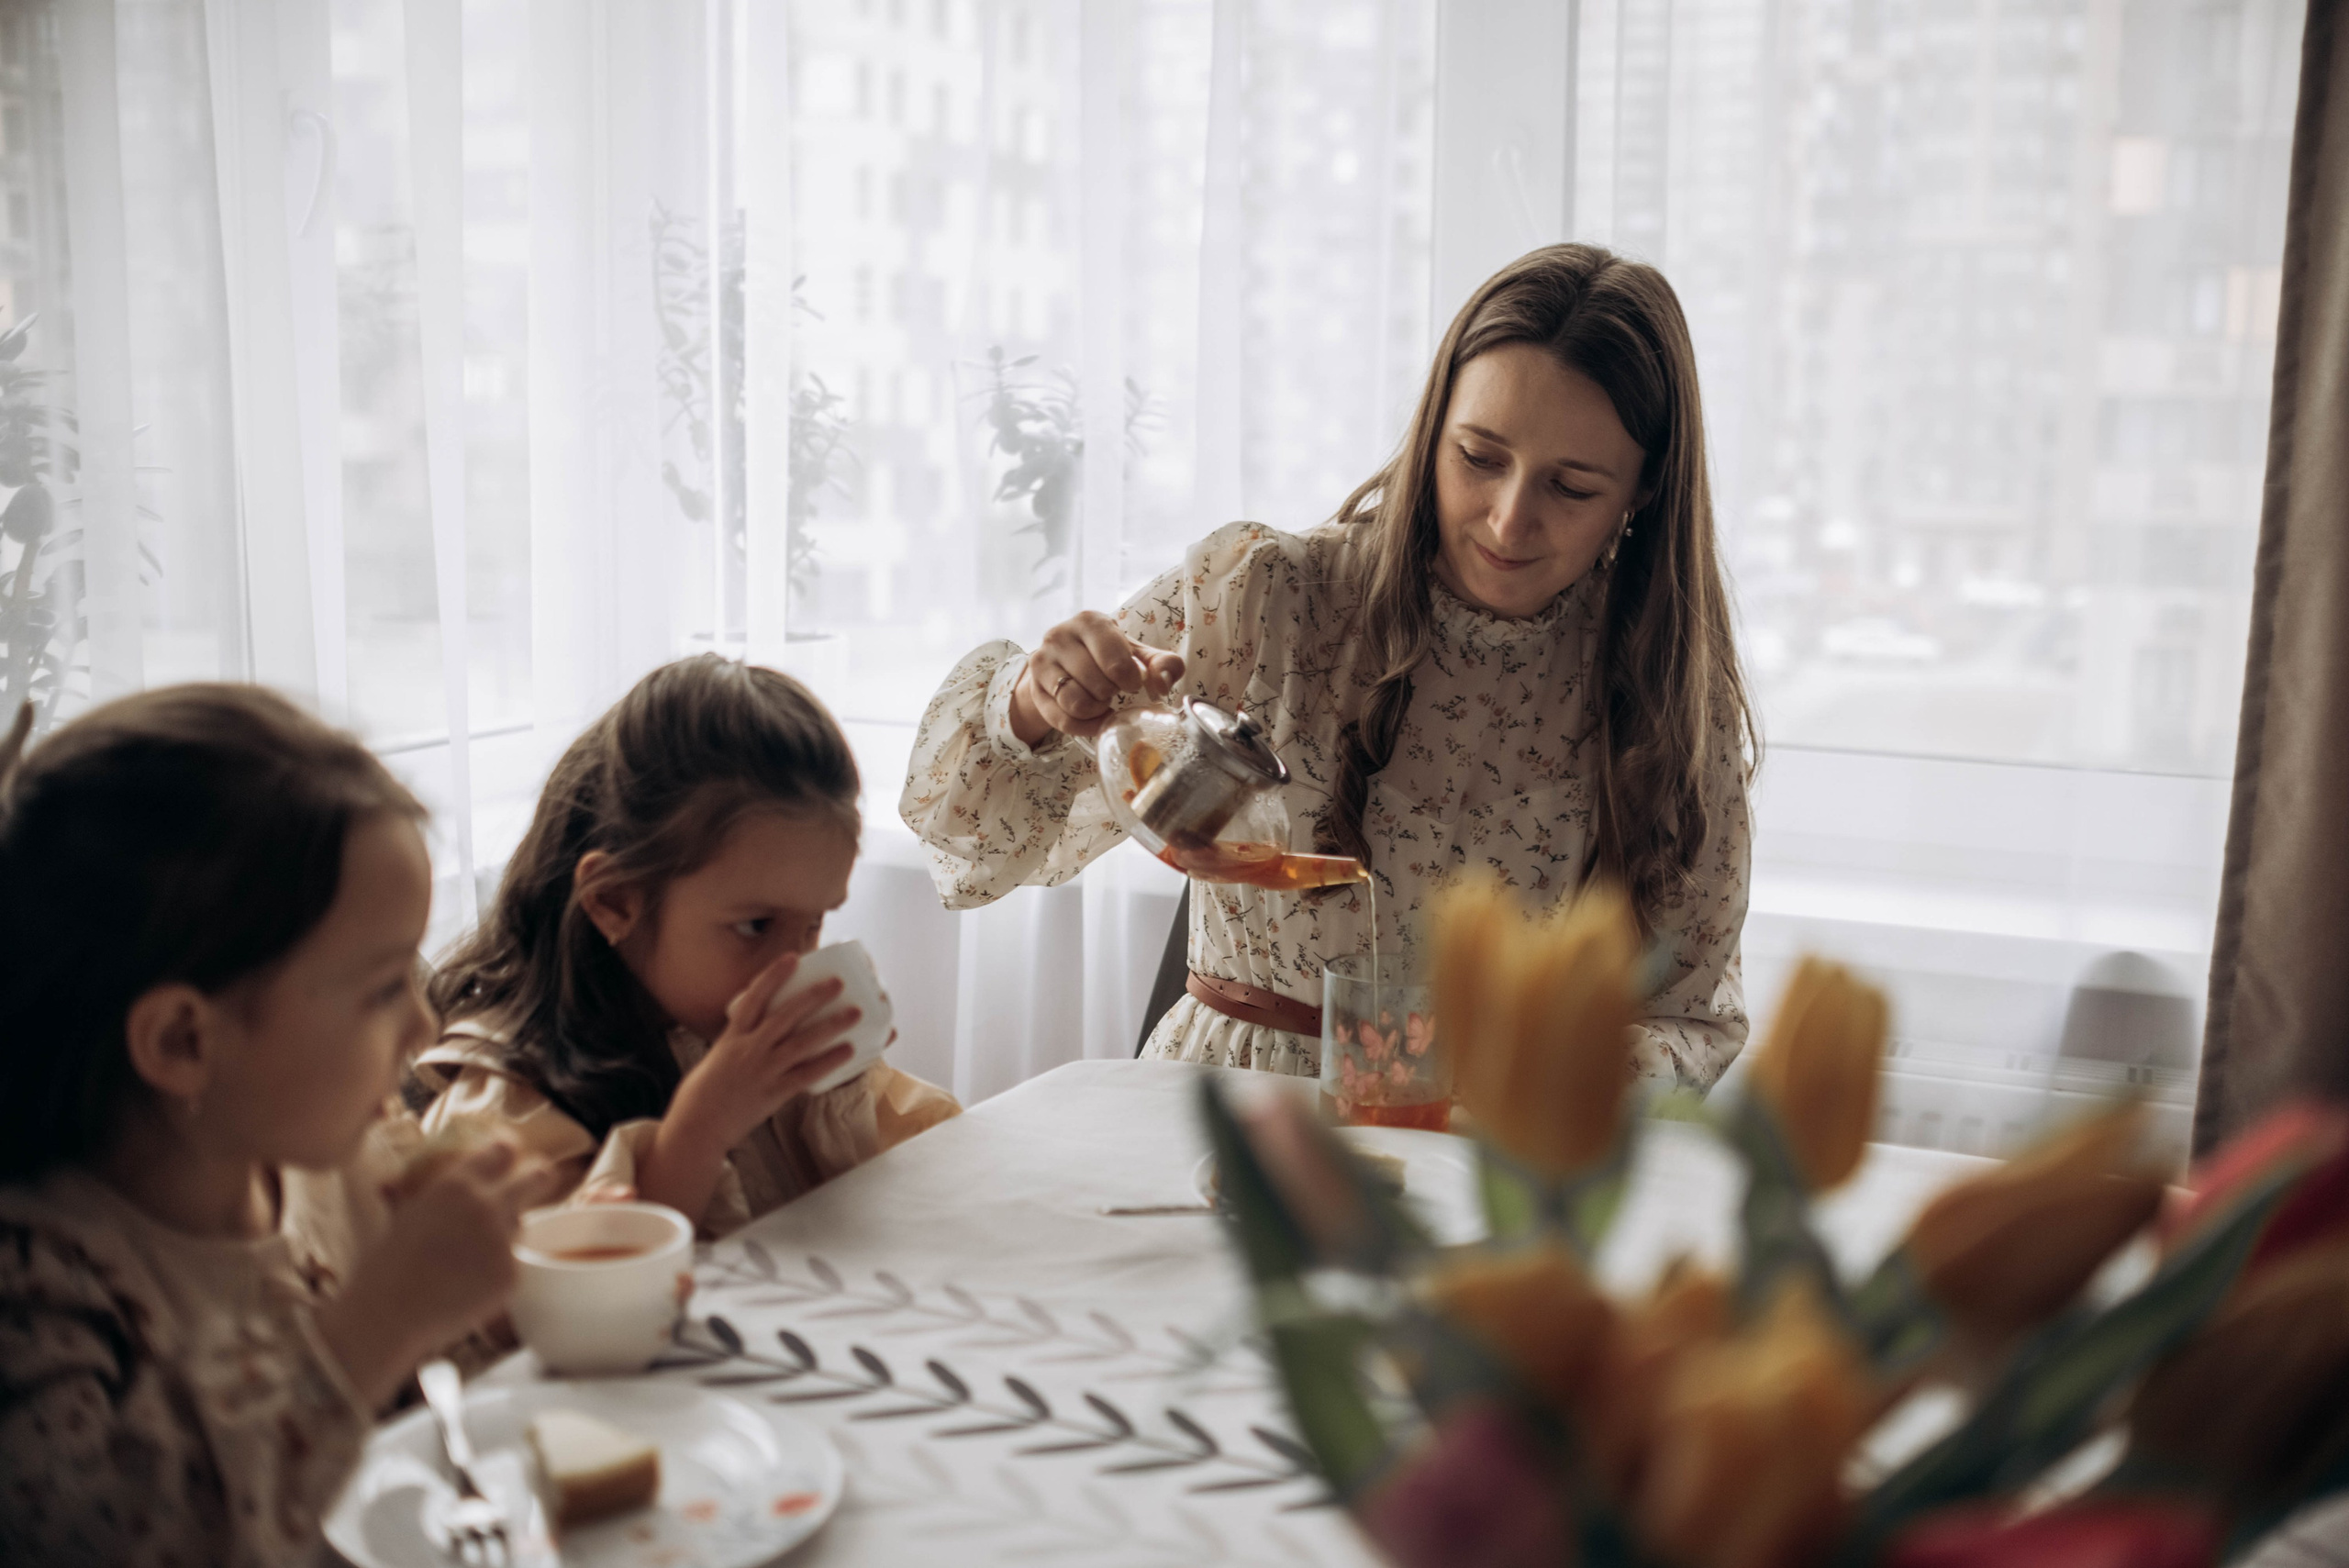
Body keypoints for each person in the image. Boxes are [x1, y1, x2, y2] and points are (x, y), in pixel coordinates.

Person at [904, 244, 1755, 1088]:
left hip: (1485, 1151)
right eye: (1479, 457)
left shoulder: (1665, 694)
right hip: (1224, 1116)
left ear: (1642, 493)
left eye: (1570, 488)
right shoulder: (1263, 598)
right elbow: (975, 841)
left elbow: (1687, 1015)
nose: (1507, 521)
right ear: (1431, 433)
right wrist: (1035, 702)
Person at [0, 689, 557, 1567]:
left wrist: (530, 1277)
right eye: (381, 989)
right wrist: (380, 1315)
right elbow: (147, 1535)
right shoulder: (41, 1287)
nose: (423, 1027)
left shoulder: (334, 1168)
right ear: (185, 1041)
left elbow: (439, 1419)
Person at [422, 654, 959, 1240]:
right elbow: (568, 1300)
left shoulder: (737, 1042)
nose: (797, 963)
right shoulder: (506, 1105)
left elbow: (930, 1167)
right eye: (756, 925)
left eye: (814, 924)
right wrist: (702, 1128)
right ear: (615, 902)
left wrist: (843, 1085)